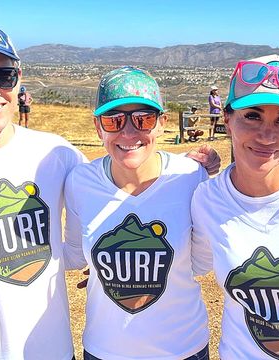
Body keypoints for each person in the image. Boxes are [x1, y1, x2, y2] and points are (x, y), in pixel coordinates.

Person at [64, 66, 214, 360]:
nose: (129, 132)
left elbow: (201, 263)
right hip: (106, 349)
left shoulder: (191, 177)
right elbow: (74, 253)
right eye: (114, 120)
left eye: (143, 119)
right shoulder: (80, 182)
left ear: (161, 124)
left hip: (184, 349)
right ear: (98, 127)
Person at [0, 21, 87, 359]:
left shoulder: (56, 155)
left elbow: (113, 194)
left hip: (52, 350)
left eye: (3, 77)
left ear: (18, 80)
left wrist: (182, 165)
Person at [192, 54, 279, 359]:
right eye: (252, 115)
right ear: (227, 119)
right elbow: (190, 264)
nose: (267, 135)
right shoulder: (207, 199)